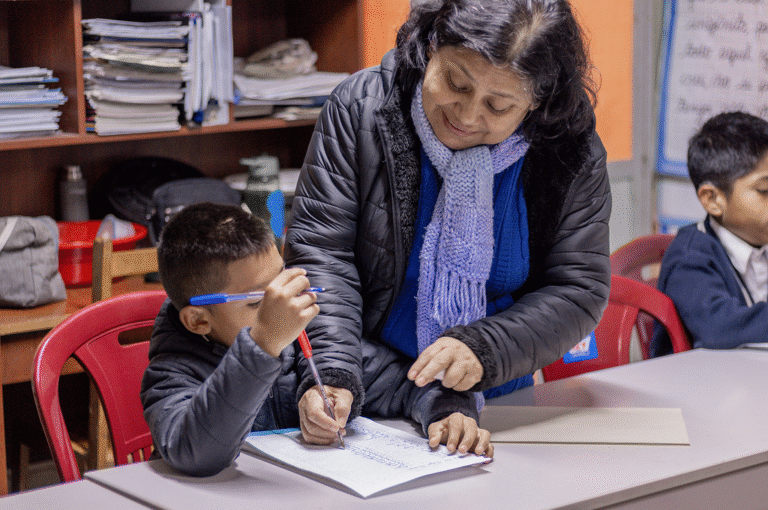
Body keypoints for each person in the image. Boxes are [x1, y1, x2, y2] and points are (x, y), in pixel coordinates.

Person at [283, 0, 611, 439]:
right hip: (368, 398)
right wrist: (335, 373)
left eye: (498, 107)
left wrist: (484, 349)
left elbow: (577, 288)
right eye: (456, 82)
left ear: (536, 102)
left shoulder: (567, 147)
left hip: (499, 401)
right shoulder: (361, 110)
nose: (468, 115)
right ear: (431, 46)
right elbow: (323, 256)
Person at [141, 202, 493, 477]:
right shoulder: (173, 373)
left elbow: (407, 382)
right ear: (198, 320)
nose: (284, 306)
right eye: (257, 301)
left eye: (283, 284)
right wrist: (264, 342)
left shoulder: (309, 340)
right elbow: (195, 452)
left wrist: (449, 413)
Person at [652, 111, 768, 356]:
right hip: (698, 387)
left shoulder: (761, 239)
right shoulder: (690, 256)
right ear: (712, 199)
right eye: (764, 190)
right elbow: (720, 326)